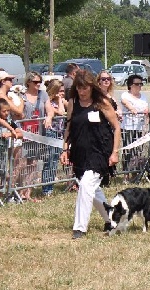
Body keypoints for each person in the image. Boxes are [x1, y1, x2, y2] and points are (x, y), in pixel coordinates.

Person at [60, 70, 121, 239]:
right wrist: (65, 149)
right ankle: (111, 218)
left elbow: (116, 127)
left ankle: (79, 228)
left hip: (100, 152)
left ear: (91, 87)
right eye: (79, 88)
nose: (82, 92)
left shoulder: (102, 102)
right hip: (79, 152)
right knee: (92, 190)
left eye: (85, 88)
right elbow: (69, 127)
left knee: (86, 185)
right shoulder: (73, 102)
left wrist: (114, 152)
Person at [20, 71, 54, 202]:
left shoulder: (43, 94)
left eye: (40, 81)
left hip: (38, 134)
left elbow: (49, 109)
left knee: (34, 163)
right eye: (35, 82)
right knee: (22, 163)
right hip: (24, 133)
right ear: (28, 82)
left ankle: (27, 192)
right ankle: (19, 191)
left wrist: (49, 117)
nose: (38, 84)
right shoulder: (22, 95)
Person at [120, 74, 149, 179]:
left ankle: (135, 173)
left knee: (138, 152)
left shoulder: (144, 96)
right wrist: (132, 109)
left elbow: (146, 109)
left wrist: (146, 122)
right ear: (130, 85)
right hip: (128, 127)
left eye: (141, 84)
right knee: (128, 151)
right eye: (137, 84)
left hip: (139, 128)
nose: (139, 86)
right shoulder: (125, 95)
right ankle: (126, 174)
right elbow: (125, 103)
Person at [41, 79, 67, 196]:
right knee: (50, 162)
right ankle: (47, 188)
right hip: (51, 133)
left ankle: (50, 185)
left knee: (55, 161)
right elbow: (61, 112)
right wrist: (60, 99)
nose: (62, 93)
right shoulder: (49, 103)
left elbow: (71, 107)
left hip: (60, 133)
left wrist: (61, 99)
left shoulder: (60, 101)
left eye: (63, 91)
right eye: (60, 91)